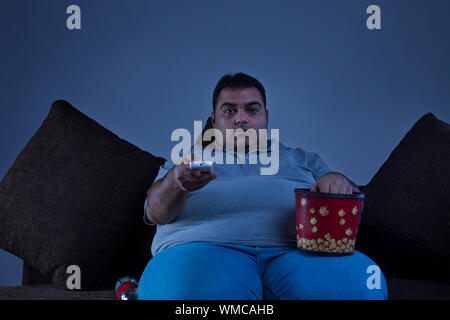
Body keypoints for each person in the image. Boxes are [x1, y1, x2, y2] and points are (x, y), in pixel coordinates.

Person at [137, 72, 388, 300]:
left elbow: (351, 211)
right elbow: (156, 212)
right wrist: (176, 182)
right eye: (229, 111)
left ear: (266, 117)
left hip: (301, 257)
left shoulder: (304, 159)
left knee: (363, 284)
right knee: (183, 292)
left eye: (252, 110)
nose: (241, 119)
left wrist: (338, 182)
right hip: (203, 253)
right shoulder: (187, 160)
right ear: (213, 120)